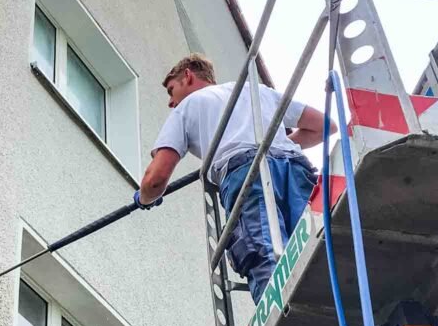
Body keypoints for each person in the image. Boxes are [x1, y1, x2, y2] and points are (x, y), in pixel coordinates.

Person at [135, 53, 334, 302]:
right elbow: (324, 126)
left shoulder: (188, 106)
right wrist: (271, 145)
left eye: (171, 90)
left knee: (265, 254)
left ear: (188, 76)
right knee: (315, 245)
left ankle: (285, 317)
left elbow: (155, 178)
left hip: (245, 173)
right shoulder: (255, 90)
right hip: (294, 168)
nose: (170, 102)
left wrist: (145, 198)